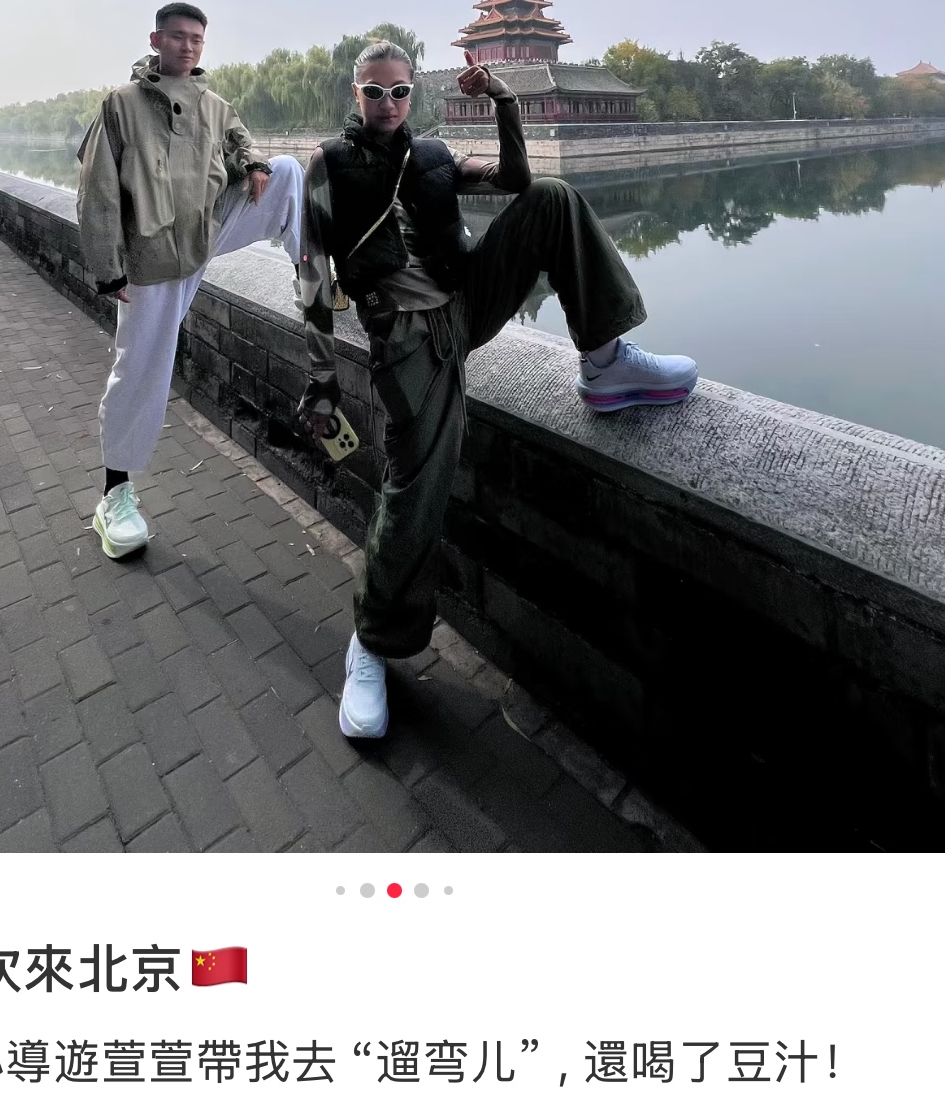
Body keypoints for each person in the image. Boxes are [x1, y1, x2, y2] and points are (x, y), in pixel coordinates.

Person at [297, 42, 697, 741]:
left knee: (552, 198)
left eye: (399, 91)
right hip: (406, 337)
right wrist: (322, 378)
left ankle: (605, 363)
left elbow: (515, 179)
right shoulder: (328, 166)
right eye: (374, 91)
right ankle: (373, 643)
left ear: (413, 94)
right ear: (354, 93)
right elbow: (310, 273)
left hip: (467, 302)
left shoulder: (434, 155)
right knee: (415, 487)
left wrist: (505, 101)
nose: (387, 104)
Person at [76, 1, 304, 560]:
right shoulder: (121, 106)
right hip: (150, 259)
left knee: (288, 171)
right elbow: (97, 189)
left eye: (197, 38)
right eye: (177, 37)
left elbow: (241, 140)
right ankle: (114, 496)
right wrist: (108, 268)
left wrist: (253, 164)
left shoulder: (214, 105)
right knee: (140, 371)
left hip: (201, 239)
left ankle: (311, 276)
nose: (188, 46)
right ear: (156, 40)